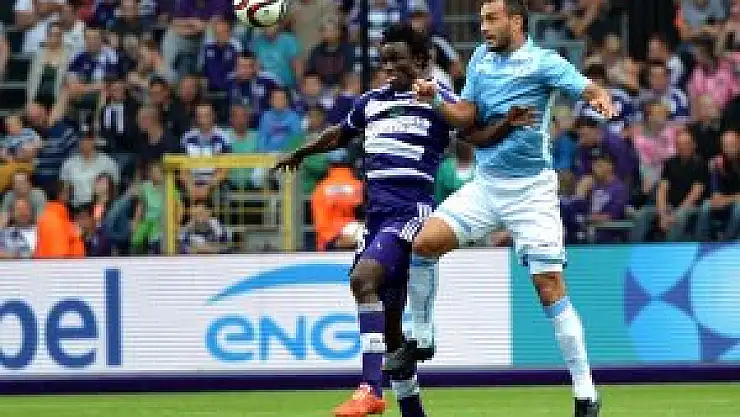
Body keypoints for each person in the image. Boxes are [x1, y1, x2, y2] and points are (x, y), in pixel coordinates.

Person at [274, 24, 508, 417]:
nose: (388, 67)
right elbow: (339, 134)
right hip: (376, 219)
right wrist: (301, 153)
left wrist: (509, 124)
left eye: (397, 59)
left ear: (421, 60)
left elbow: (477, 134)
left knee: (362, 279)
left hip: (409, 214)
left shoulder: (437, 100)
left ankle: (369, 389)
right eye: (384, 61)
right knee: (392, 336)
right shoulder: (371, 103)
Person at [411, 1, 616, 416]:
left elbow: (587, 87)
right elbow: (467, 114)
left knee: (549, 287)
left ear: (516, 21)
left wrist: (600, 98)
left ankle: (585, 391)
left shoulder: (544, 62)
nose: (483, 27)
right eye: (481, 19)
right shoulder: (480, 59)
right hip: (486, 186)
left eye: (492, 19)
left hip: (532, 192)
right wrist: (436, 100)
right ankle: (423, 334)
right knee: (422, 244)